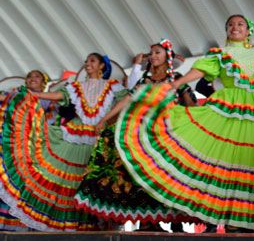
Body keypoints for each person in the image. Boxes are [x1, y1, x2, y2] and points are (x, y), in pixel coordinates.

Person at [115, 15, 254, 232]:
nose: (235, 27)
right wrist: (177, 82)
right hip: (228, 110)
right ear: (227, 31)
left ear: (248, 31)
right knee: (228, 165)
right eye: (231, 25)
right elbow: (200, 71)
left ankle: (244, 222)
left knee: (253, 164)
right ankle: (230, 222)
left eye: (240, 24)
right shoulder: (220, 54)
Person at [74, 40, 195, 231]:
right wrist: (104, 119)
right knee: (141, 177)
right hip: (145, 134)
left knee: (170, 176)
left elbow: (190, 103)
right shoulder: (144, 81)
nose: (153, 56)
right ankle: (147, 222)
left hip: (168, 134)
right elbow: (128, 100)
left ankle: (176, 222)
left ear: (167, 56)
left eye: (157, 52)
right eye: (151, 53)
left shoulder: (176, 79)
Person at [0, 53, 127, 231]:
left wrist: (105, 120)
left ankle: (92, 225)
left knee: (92, 182)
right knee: (65, 180)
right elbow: (59, 95)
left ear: (102, 67)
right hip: (76, 134)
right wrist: (34, 95)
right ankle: (69, 225)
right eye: (86, 61)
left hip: (98, 137)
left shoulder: (113, 86)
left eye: (92, 61)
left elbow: (128, 99)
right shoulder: (77, 86)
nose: (87, 64)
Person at [0, 70, 54, 231]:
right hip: (13, 147)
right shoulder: (16, 95)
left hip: (34, 150)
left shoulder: (48, 101)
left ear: (44, 83)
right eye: (29, 77)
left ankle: (23, 225)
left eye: (37, 76)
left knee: (27, 187)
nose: (32, 79)